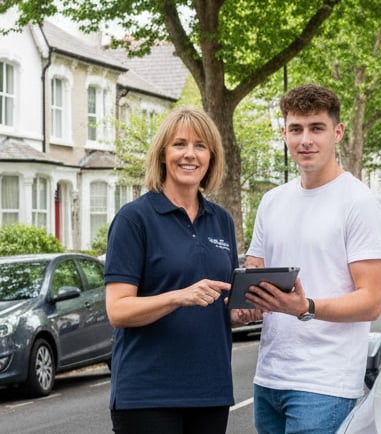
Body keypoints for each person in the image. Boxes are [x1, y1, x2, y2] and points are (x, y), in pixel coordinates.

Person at [242, 83, 381, 433]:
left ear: (337, 132)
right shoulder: (272, 201)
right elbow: (255, 271)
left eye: (316, 128)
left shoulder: (359, 203)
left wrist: (304, 307)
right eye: (296, 129)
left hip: (326, 385)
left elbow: (371, 302)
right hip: (269, 378)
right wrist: (247, 302)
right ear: (284, 134)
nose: (305, 140)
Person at [104, 106, 253, 434]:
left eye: (200, 146)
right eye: (179, 144)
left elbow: (217, 303)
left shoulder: (221, 220)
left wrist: (239, 313)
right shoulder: (134, 219)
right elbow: (118, 310)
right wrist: (179, 297)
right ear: (162, 154)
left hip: (211, 391)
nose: (190, 154)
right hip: (148, 395)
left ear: (211, 157)